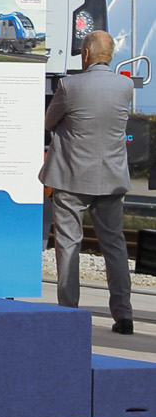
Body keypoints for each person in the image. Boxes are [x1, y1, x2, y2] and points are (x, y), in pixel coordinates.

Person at [42, 30, 134, 332]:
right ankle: (124, 315)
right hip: (111, 178)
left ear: (84, 54)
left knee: (68, 245)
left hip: (71, 178)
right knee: (115, 247)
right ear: (110, 57)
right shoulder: (125, 86)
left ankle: (69, 314)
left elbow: (48, 121)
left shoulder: (69, 86)